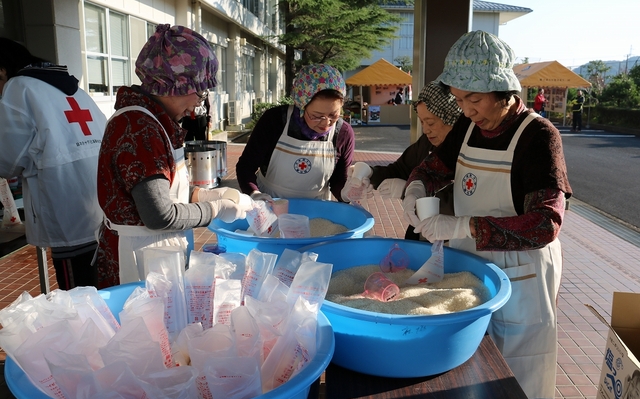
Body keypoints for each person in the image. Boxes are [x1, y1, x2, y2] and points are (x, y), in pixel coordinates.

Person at [402, 30, 572, 399]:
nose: (465, 110)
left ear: (503, 91)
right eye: (460, 99)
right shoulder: (467, 126)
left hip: (521, 270)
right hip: (472, 263)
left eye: (474, 99)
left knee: (514, 375)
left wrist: (465, 226)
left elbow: (546, 223)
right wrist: (416, 188)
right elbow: (435, 166)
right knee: (467, 363)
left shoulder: (539, 137)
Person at [96, 24, 251, 289]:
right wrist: (216, 209)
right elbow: (159, 214)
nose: (198, 104)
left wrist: (203, 195)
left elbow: (165, 188)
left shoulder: (156, 121)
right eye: (199, 91)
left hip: (156, 252)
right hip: (138, 258)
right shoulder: (139, 128)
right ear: (175, 85)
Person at [0, 38, 107, 290]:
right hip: (99, 203)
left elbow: (7, 162)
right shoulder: (74, 89)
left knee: (78, 295)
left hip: (66, 211)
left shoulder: (19, 88)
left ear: (1, 70)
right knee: (100, 286)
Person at [343, 81, 462, 239]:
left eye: (431, 123)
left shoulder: (468, 150)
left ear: (452, 119)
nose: (426, 130)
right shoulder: (426, 143)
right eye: (421, 122)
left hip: (455, 239)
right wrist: (370, 173)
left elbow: (456, 196)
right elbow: (400, 169)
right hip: (420, 234)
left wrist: (407, 190)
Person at [236, 64, 355, 201]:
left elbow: (339, 180)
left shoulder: (343, 133)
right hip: (269, 203)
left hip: (316, 208)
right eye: (316, 116)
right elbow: (246, 166)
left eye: (333, 115)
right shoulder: (274, 120)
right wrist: (254, 194)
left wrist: (347, 193)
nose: (326, 122)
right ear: (301, 106)